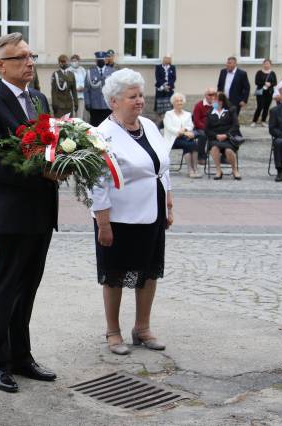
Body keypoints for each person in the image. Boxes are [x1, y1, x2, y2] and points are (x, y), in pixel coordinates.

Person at [0, 32, 59, 394]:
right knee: (3, 289)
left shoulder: (39, 99)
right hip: (10, 215)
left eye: (31, 55)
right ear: (0, 65)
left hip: (41, 213)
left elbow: (51, 145)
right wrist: (37, 170)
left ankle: (22, 356)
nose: (30, 62)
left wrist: (62, 162)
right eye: (21, 57)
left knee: (28, 288)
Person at [89, 68, 173, 356]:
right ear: (114, 101)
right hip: (118, 218)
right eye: (132, 96)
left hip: (152, 211)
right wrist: (103, 222)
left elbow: (163, 168)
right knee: (115, 274)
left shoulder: (149, 125)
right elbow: (96, 182)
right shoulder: (102, 134)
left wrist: (169, 204)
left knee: (149, 271)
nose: (139, 101)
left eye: (141, 95)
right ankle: (113, 331)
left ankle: (143, 327)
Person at [205, 92, 242, 180]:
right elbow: (207, 129)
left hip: (228, 138)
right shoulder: (210, 112)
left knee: (229, 150)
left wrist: (226, 135)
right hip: (215, 138)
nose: (212, 102)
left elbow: (236, 126)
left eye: (214, 100)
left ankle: (235, 170)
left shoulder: (231, 110)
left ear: (221, 101)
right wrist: (216, 135)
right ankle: (218, 171)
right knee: (214, 148)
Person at [163, 92, 200, 178]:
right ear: (173, 103)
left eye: (181, 100)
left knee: (192, 144)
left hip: (185, 138)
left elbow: (190, 125)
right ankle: (191, 169)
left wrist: (185, 130)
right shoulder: (168, 114)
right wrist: (182, 132)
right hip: (173, 139)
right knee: (191, 145)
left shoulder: (187, 114)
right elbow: (169, 128)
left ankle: (194, 169)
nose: (179, 102)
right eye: (177, 101)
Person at [85, 51, 115, 126]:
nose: (100, 61)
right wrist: (87, 102)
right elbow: (86, 89)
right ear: (96, 61)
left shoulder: (111, 71)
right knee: (95, 126)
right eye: (99, 60)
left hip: (107, 105)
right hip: (94, 105)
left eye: (102, 60)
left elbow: (115, 89)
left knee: (108, 126)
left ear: (105, 60)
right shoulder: (90, 72)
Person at [192, 88, 216, 165]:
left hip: (214, 127)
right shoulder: (199, 105)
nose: (212, 96)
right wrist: (206, 128)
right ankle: (201, 156)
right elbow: (196, 121)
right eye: (210, 94)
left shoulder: (216, 105)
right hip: (201, 128)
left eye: (214, 94)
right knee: (203, 135)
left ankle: (223, 156)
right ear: (205, 95)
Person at [251, 58, 277, 127]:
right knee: (260, 107)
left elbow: (275, 82)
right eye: (265, 64)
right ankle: (254, 121)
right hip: (261, 92)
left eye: (268, 64)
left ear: (270, 65)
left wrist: (270, 84)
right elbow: (256, 82)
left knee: (266, 107)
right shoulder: (259, 72)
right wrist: (264, 83)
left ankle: (263, 121)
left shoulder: (272, 73)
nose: (266, 65)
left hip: (269, 92)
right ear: (263, 64)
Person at [69, 54, 87, 120]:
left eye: (76, 61)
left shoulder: (82, 70)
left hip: (81, 96)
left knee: (80, 116)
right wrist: (75, 89)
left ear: (79, 61)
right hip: (72, 97)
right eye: (73, 61)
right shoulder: (68, 70)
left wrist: (83, 87)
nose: (74, 62)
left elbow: (86, 81)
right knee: (72, 116)